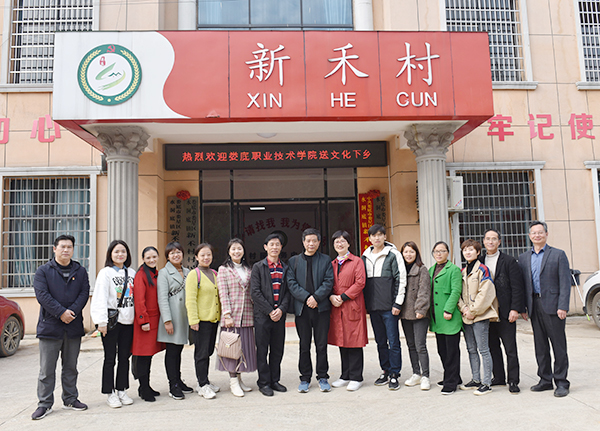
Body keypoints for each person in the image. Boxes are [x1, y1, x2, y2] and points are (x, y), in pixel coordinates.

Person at [31, 235, 90, 420]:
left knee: (71, 367)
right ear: (54, 249)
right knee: (47, 369)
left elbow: (84, 293)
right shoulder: (43, 271)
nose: (66, 250)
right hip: (50, 327)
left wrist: (70, 312)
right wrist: (61, 313)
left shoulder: (80, 271)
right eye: (62, 246)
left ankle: (70, 399)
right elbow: (42, 295)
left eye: (69, 247)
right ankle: (44, 403)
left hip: (73, 326)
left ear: (73, 249)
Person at [518, 221, 571, 398]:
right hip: (534, 305)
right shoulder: (524, 257)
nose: (537, 235)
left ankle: (561, 382)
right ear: (529, 236)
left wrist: (563, 306)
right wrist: (523, 307)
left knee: (558, 346)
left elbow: (565, 282)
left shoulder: (558, 254)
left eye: (540, 232)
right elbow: (523, 285)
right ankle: (545, 379)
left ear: (546, 234)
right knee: (540, 346)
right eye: (534, 233)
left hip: (554, 306)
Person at [287, 228, 334, 393]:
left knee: (321, 345)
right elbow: (291, 283)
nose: (311, 243)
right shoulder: (293, 261)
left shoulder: (326, 260)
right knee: (304, 345)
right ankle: (305, 378)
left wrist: (316, 298)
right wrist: (307, 297)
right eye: (308, 241)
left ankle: (323, 376)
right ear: (303, 242)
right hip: (302, 310)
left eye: (314, 240)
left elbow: (329, 281)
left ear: (319, 242)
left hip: (321, 309)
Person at [90, 240, 136, 408]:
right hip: (111, 322)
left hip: (128, 322)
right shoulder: (105, 273)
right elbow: (99, 298)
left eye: (123, 251)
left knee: (124, 358)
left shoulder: (132, 272)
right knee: (110, 358)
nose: (120, 254)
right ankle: (110, 393)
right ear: (110, 254)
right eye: (116, 251)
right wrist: (100, 322)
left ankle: (121, 389)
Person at [361, 224, 406, 390]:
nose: (377, 238)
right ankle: (385, 370)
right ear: (370, 238)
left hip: (390, 307)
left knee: (393, 341)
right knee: (380, 341)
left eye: (380, 235)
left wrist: (397, 303)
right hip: (374, 308)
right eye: (374, 235)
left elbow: (401, 279)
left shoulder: (393, 254)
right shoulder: (365, 256)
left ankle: (395, 373)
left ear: (385, 237)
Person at [480, 228, 525, 393]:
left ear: (499, 242)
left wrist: (515, 309)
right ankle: (498, 377)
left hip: (506, 312)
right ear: (484, 242)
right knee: (492, 347)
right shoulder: (479, 261)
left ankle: (513, 380)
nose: (490, 241)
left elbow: (517, 287)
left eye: (494, 239)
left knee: (510, 348)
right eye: (488, 239)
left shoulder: (509, 261)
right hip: (487, 312)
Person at [251, 233, 291, 397]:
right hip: (262, 316)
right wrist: (269, 310)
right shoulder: (258, 267)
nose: (274, 247)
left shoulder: (286, 268)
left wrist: (281, 309)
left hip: (279, 316)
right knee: (262, 350)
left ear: (281, 247)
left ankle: (275, 380)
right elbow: (255, 292)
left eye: (277, 244)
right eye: (271, 244)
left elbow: (288, 292)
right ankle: (264, 382)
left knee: (277, 350)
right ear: (265, 247)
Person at [216, 238, 257, 397]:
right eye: (233, 249)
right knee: (231, 349)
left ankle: (239, 379)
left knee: (243, 348)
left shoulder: (249, 269)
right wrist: (227, 314)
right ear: (229, 251)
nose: (236, 251)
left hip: (247, 315)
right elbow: (223, 293)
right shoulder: (223, 269)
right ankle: (233, 381)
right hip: (231, 316)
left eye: (239, 248)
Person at [328, 230, 367, 392]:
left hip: (352, 306)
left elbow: (360, 282)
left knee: (354, 342)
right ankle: (345, 375)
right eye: (337, 241)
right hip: (337, 307)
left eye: (343, 241)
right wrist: (331, 296)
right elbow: (328, 283)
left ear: (349, 243)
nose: (340, 244)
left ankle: (356, 377)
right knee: (342, 341)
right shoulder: (332, 264)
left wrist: (343, 297)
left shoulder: (357, 261)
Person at [458, 239, 498, 396]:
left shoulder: (483, 270)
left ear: (478, 252)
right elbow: (459, 293)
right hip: (466, 316)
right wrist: (464, 308)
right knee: (471, 349)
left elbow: (486, 293)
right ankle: (476, 379)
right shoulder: (462, 271)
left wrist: (473, 311)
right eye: (465, 250)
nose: (467, 252)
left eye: (471, 249)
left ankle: (487, 383)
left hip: (480, 316)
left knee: (483, 349)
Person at [157, 242, 192, 400]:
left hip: (184, 316)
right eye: (172, 253)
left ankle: (178, 380)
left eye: (178, 252)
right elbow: (162, 298)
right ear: (167, 256)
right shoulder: (164, 273)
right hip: (172, 316)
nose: (176, 255)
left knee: (179, 350)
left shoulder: (188, 271)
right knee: (172, 352)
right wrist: (167, 321)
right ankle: (173, 385)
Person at [186, 243, 221, 399]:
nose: (206, 257)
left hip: (213, 320)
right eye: (202, 255)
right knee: (201, 353)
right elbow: (190, 299)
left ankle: (205, 381)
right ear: (196, 257)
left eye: (209, 255)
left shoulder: (214, 273)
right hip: (201, 321)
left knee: (208, 351)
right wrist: (193, 320)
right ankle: (202, 385)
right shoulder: (194, 275)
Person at [132, 246, 165, 402]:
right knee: (143, 356)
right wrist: (143, 320)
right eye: (148, 258)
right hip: (145, 322)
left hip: (155, 320)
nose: (152, 260)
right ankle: (143, 388)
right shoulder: (141, 275)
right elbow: (139, 300)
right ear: (143, 259)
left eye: (154, 257)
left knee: (149, 355)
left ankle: (146, 386)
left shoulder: (156, 273)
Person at [429, 241, 462, 395]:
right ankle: (454, 376)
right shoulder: (431, 270)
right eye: (436, 251)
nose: (439, 254)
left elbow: (456, 291)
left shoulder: (453, 269)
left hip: (449, 316)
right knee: (442, 350)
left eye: (442, 251)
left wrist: (448, 309)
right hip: (437, 317)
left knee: (451, 351)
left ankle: (451, 383)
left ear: (448, 253)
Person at [399, 241, 431, 391]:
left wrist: (421, 309)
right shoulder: (400, 269)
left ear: (416, 253)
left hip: (419, 314)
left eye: (411, 251)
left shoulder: (422, 269)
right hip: (405, 313)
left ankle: (426, 376)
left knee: (420, 345)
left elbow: (424, 291)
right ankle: (416, 373)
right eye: (406, 252)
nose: (408, 254)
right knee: (410, 345)